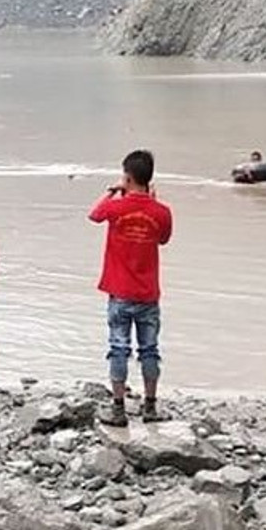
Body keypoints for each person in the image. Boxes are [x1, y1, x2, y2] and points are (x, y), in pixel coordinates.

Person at [89, 149, 173, 427]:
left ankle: (118, 410)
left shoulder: (115, 207)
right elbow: (163, 239)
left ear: (127, 176)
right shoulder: (161, 212)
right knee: (149, 349)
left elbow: (94, 215)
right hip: (148, 294)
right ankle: (150, 407)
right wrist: (153, 203)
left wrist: (113, 191)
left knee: (118, 348)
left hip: (120, 293)